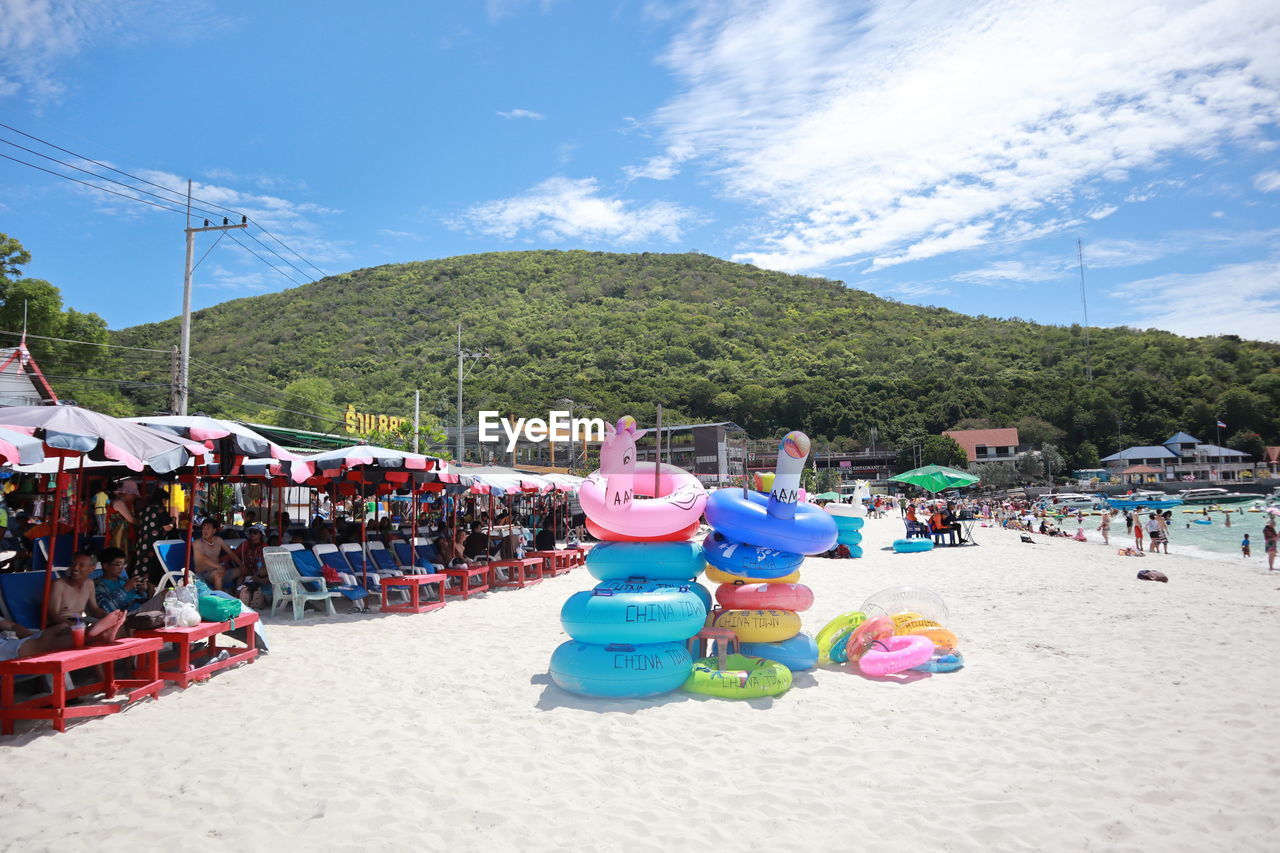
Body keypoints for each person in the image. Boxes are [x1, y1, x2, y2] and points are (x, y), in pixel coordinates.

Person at [48, 550, 112, 626]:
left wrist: (109, 616)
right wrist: (74, 626)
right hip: (62, 626)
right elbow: (53, 615)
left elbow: (94, 610)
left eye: (81, 565)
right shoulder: (59, 585)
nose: (75, 568)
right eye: (73, 564)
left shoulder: (89, 583)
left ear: (92, 568)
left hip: (80, 622)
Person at [94, 547, 152, 614]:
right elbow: (105, 609)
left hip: (143, 608)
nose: (122, 568)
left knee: (165, 593)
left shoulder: (124, 580)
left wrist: (142, 590)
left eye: (123, 564)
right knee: (164, 595)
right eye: (118, 564)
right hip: (128, 614)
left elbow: (139, 598)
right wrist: (125, 589)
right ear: (106, 566)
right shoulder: (99, 586)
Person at [135, 485, 175, 583]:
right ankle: (149, 590)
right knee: (153, 569)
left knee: (142, 565)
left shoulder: (144, 511)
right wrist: (173, 521)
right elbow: (168, 528)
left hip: (142, 543)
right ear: (162, 499)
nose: (165, 503)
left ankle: (139, 586)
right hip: (155, 545)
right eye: (165, 500)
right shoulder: (160, 512)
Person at [193, 519, 243, 591]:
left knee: (242, 571)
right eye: (203, 529)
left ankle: (237, 593)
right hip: (203, 575)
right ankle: (220, 600)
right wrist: (219, 566)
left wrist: (242, 566)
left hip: (218, 570)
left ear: (214, 530)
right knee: (218, 575)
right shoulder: (197, 543)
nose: (205, 531)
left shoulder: (218, 540)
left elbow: (231, 554)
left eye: (208, 528)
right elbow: (203, 558)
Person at [107, 480, 139, 559]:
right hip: (119, 537)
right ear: (126, 493)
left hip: (123, 536)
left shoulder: (124, 503)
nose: (134, 497)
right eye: (133, 495)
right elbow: (131, 520)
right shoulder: (119, 503)